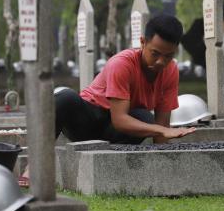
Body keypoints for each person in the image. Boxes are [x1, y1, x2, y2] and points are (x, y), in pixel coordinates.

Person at [19, 14, 195, 187]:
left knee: (145, 118)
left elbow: (162, 126)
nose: (160, 62)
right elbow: (121, 120)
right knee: (64, 98)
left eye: (168, 56)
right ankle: (33, 168)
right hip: (88, 121)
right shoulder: (121, 64)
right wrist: (160, 130)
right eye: (155, 53)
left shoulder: (171, 71)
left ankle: (115, 168)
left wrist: (164, 168)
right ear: (142, 42)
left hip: (114, 132)